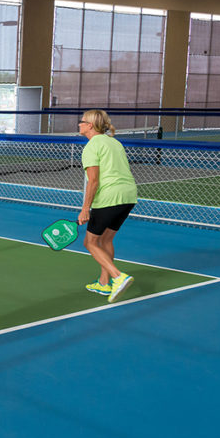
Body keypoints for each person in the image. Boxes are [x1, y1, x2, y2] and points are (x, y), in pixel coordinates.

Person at [78, 109, 137, 303]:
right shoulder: (114, 142)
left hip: (108, 198)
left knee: (90, 242)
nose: (79, 124)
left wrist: (85, 208)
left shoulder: (91, 146)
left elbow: (93, 181)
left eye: (82, 121)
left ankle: (117, 276)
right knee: (105, 240)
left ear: (90, 125)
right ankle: (104, 283)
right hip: (128, 196)